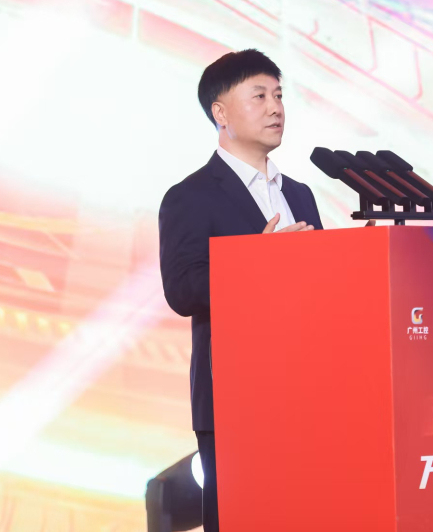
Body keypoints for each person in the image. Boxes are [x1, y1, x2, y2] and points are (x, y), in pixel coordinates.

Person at [157, 49, 323, 532]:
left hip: (309, 392)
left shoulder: (300, 194)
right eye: (259, 96)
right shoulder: (190, 196)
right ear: (221, 112)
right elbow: (182, 290)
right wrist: (255, 264)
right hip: (236, 401)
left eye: (279, 95)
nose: (275, 108)